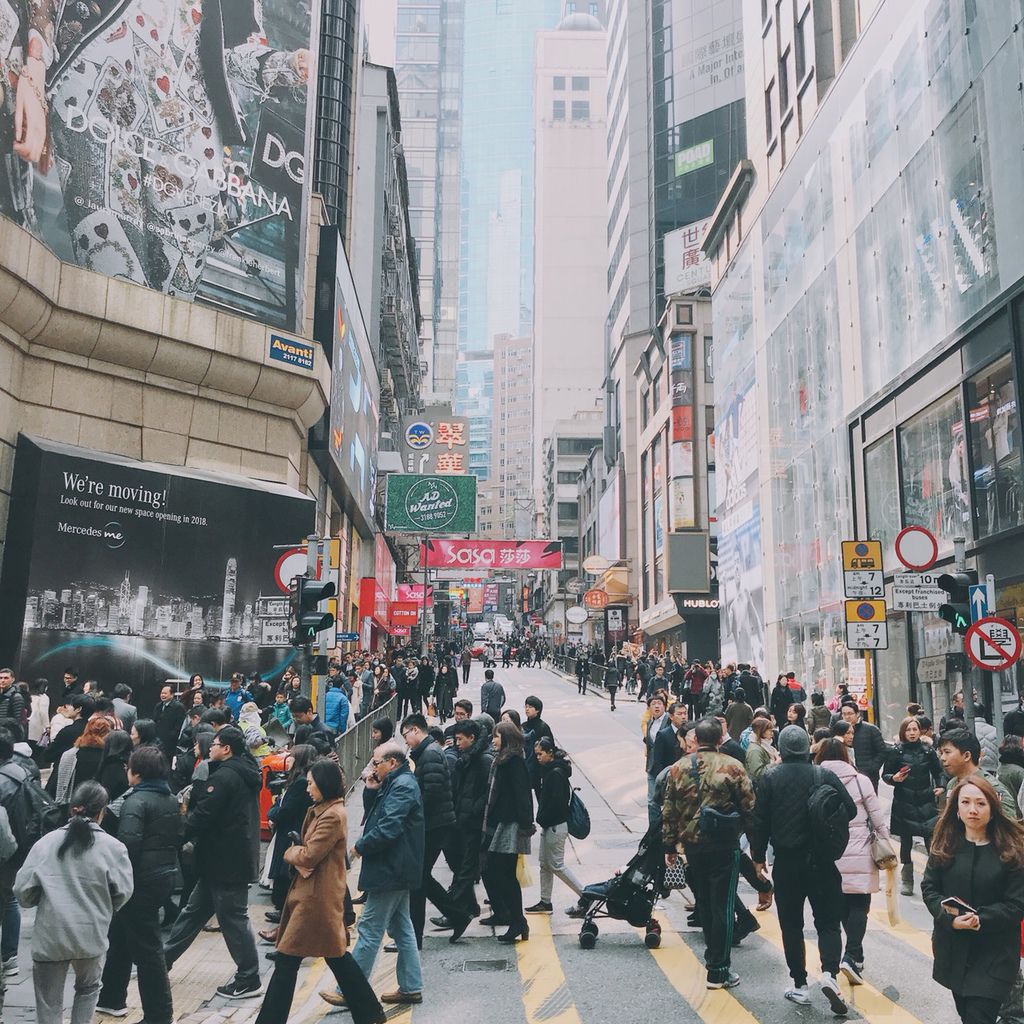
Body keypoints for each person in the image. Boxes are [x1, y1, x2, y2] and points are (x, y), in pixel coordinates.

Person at [258, 759, 385, 1024]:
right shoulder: (321, 810)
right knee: (334, 957)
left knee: (289, 960)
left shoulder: (332, 815)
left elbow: (309, 855)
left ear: (324, 785)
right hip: (313, 895)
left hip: (316, 899)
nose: (308, 788)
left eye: (312, 783)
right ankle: (370, 1013)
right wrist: (301, 856)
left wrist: (290, 852)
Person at [750, 725, 856, 1015]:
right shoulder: (823, 774)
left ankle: (799, 984)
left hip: (787, 863)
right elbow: (851, 809)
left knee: (792, 925)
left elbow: (758, 821)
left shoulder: (769, 777)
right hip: (822, 862)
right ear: (807, 746)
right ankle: (830, 975)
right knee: (828, 922)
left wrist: (758, 857)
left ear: (782, 750)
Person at [15, 781, 134, 1024]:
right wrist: (103, 906)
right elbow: (123, 893)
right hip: (91, 934)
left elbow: (23, 892)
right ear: (101, 812)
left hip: (51, 935)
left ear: (72, 809)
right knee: (89, 989)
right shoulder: (114, 848)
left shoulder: (46, 844)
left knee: (49, 1002)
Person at [163, 726, 264, 999]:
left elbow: (203, 814)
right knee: (193, 913)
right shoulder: (246, 771)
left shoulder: (225, 777)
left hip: (226, 861)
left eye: (215, 744)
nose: (211, 748)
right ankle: (163, 961)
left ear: (227, 748)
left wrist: (176, 836)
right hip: (223, 860)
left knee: (233, 919)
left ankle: (249, 977)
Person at [322, 741, 424, 1009]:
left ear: (392, 763)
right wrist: (371, 789)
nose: (372, 767)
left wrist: (358, 849)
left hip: (392, 867)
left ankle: (350, 991)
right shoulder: (395, 783)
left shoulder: (402, 786)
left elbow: (388, 827)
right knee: (402, 928)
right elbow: (374, 816)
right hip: (396, 866)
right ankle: (411, 987)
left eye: (376, 762)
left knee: (369, 929)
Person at [662, 717, 755, 990]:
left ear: (696, 740)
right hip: (725, 846)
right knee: (723, 906)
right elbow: (750, 808)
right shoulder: (733, 767)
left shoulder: (677, 768)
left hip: (693, 847)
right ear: (718, 740)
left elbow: (668, 810)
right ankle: (718, 969)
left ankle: (713, 960)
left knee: (704, 902)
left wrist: (669, 846)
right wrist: (756, 849)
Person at [922, 777, 1024, 1024]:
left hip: (995, 955)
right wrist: (950, 920)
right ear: (956, 808)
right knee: (967, 1014)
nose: (973, 810)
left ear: (993, 808)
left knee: (978, 1016)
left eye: (981, 803)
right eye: (965, 802)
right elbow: (929, 888)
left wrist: (981, 918)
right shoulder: (946, 844)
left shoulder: (1011, 850)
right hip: (955, 951)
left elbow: (1016, 905)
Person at [96, 747, 181, 1023]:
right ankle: (111, 999)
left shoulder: (136, 801)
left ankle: (159, 1015)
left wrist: (116, 880)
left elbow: (127, 846)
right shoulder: (168, 798)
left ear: (138, 773)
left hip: (138, 882)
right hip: (162, 876)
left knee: (148, 951)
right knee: (120, 936)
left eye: (129, 767)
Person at [816, 737, 892, 986]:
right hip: (860, 848)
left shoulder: (816, 778)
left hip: (829, 850)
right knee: (860, 903)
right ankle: (852, 955)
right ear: (846, 756)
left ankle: (853, 956)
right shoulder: (860, 780)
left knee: (839, 904)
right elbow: (877, 815)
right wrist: (885, 840)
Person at [401, 715, 471, 947]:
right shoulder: (428, 751)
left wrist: (413, 813)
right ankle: (457, 915)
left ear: (415, 730)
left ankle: (415, 937)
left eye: (406, 736)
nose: (406, 741)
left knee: (418, 879)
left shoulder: (430, 753)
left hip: (433, 825)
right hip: (435, 823)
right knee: (420, 879)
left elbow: (429, 793)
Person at [480, 721, 534, 942]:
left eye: (497, 736)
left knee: (503, 873)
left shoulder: (514, 762)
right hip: (501, 823)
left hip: (511, 824)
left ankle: (517, 921)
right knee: (499, 872)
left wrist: (525, 825)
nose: (493, 740)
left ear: (507, 738)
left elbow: (523, 795)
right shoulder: (502, 759)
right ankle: (517, 921)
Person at [882, 716, 943, 896]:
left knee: (931, 841)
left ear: (920, 731)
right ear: (903, 732)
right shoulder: (896, 752)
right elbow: (885, 774)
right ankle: (907, 880)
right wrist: (894, 779)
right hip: (904, 801)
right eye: (908, 730)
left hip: (926, 801)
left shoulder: (928, 751)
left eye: (915, 729)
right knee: (906, 842)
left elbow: (937, 771)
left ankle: (933, 879)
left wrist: (940, 786)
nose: (912, 733)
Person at [526, 737, 584, 915]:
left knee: (557, 865)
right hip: (550, 825)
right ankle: (545, 902)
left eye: (540, 754)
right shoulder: (550, 770)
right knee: (544, 864)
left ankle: (586, 895)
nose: (537, 758)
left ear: (550, 753)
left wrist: (543, 819)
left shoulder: (555, 773)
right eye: (536, 754)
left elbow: (557, 805)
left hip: (555, 826)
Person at [446, 719, 493, 923]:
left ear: (472, 738)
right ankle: (472, 907)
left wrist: (473, 810)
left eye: (460, 739)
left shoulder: (482, 760)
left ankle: (453, 912)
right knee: (463, 866)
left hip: (474, 823)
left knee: (466, 869)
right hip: (464, 820)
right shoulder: (467, 757)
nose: (457, 743)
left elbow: (487, 792)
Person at [264, 745, 317, 923]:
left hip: (291, 831)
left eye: (292, 756)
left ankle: (285, 913)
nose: (288, 759)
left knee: (286, 871)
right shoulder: (297, 780)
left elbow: (286, 808)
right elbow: (280, 802)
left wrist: (273, 814)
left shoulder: (301, 782)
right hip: (287, 829)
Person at [938, 730, 1020, 820]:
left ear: (967, 756)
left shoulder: (991, 787)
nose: (942, 758)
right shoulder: (952, 784)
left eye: (947, 752)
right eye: (941, 753)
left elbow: (1008, 824)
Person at [841, 704, 888, 791]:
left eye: (850, 713)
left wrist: (873, 767)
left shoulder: (871, 729)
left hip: (868, 776)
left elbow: (883, 751)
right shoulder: (839, 731)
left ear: (857, 714)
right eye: (844, 714)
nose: (847, 717)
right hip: (846, 776)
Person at [152, 686, 186, 760]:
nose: (162, 695)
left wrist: (170, 736)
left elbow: (179, 726)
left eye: (165, 693)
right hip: (157, 741)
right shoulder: (158, 706)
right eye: (161, 693)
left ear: (172, 694)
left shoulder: (178, 707)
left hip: (170, 743)